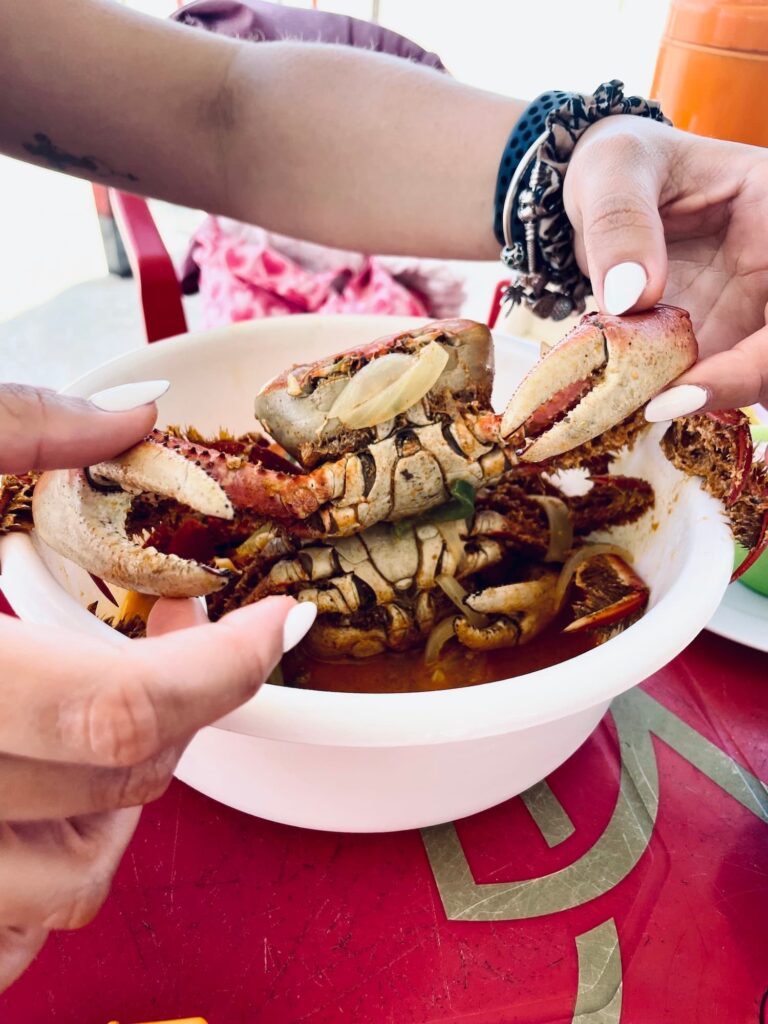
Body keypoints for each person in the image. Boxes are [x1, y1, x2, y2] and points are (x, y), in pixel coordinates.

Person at [0, 0, 766, 991]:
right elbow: (54, 497)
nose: (388, 396)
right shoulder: (245, 492)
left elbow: (224, 103)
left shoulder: (524, 450)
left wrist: (577, 167)